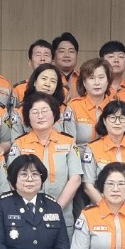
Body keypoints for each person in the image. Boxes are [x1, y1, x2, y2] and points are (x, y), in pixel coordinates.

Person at [8, 93, 82, 222]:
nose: (40, 116)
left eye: (45, 111)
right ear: (27, 117)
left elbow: (75, 178)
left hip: (62, 214)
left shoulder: (68, 142)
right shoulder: (19, 144)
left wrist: (56, 208)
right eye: (34, 112)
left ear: (54, 113)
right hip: (28, 215)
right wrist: (31, 208)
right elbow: (12, 179)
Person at [81, 100, 125, 209]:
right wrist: (108, 210)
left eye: (122, 118)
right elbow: (88, 186)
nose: (117, 122)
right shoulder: (93, 148)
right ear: (104, 121)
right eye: (112, 118)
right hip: (101, 209)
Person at [67, 58, 115, 145]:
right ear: (84, 83)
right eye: (91, 78)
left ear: (108, 81)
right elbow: (70, 144)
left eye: (101, 77)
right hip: (80, 153)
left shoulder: (116, 107)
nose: (97, 82)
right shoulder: (74, 106)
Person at [14, 63, 67, 134]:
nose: (47, 84)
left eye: (53, 81)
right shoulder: (19, 110)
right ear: (35, 82)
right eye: (44, 79)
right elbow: (16, 139)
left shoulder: (65, 110)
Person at [51, 32, 81, 100]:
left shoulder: (85, 78)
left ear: (77, 55)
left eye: (71, 51)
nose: (67, 55)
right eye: (62, 51)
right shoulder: (47, 79)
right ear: (54, 56)